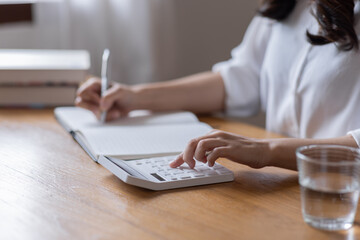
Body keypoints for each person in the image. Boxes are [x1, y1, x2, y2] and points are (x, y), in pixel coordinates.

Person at [75, 0, 360, 171]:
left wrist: (267, 150)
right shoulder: (288, 7)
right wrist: (134, 97)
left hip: (344, 197)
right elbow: (240, 80)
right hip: (285, 187)